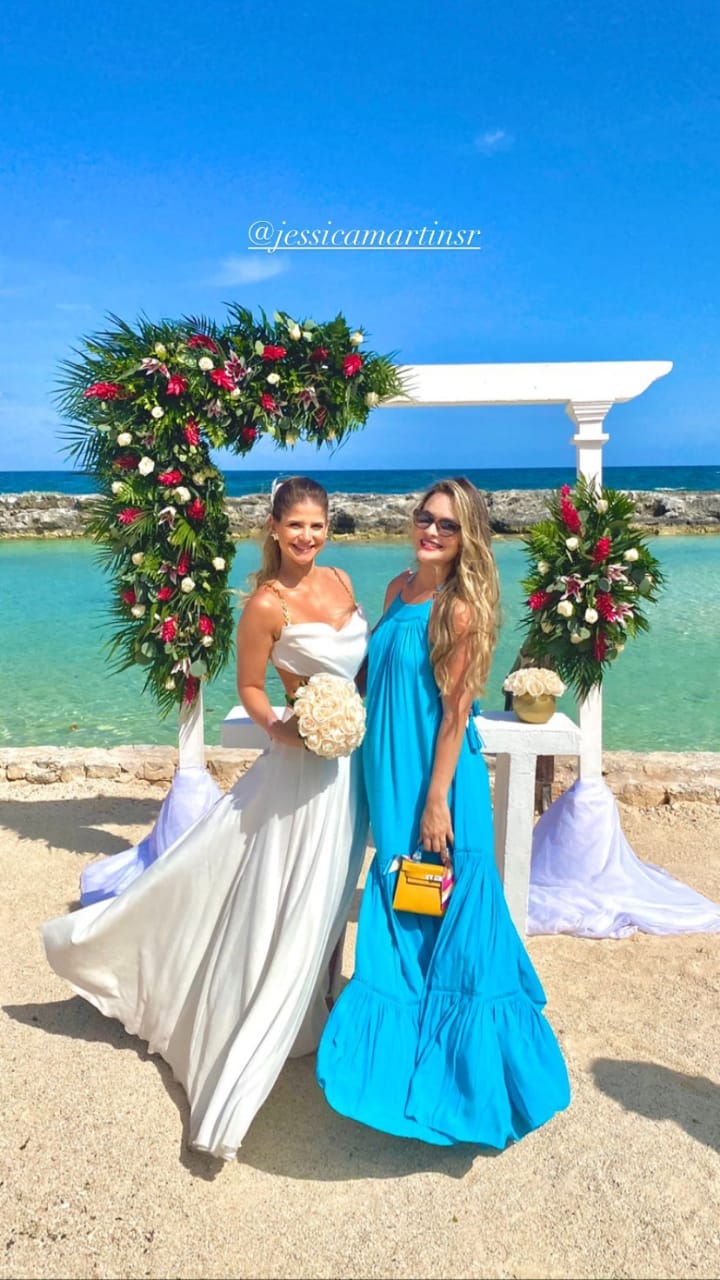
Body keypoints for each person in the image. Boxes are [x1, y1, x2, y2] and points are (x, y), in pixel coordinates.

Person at [42, 476, 370, 1161]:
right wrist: (283, 729)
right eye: (296, 525)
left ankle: (312, 1009)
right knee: (285, 894)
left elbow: (359, 672)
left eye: (317, 524)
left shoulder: (341, 580)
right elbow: (250, 686)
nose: (307, 536)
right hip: (299, 770)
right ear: (274, 528)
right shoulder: (266, 604)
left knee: (329, 893)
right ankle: (256, 1029)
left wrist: (357, 718)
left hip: (351, 772)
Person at [317, 477, 570, 1147]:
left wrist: (436, 801)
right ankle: (401, 1065)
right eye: (425, 517)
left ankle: (465, 1082)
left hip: (437, 783)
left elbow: (457, 714)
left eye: (447, 525)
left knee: (439, 909)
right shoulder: (397, 589)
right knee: (407, 904)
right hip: (391, 774)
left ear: (466, 539)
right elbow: (373, 679)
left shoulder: (458, 610)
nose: (430, 531)